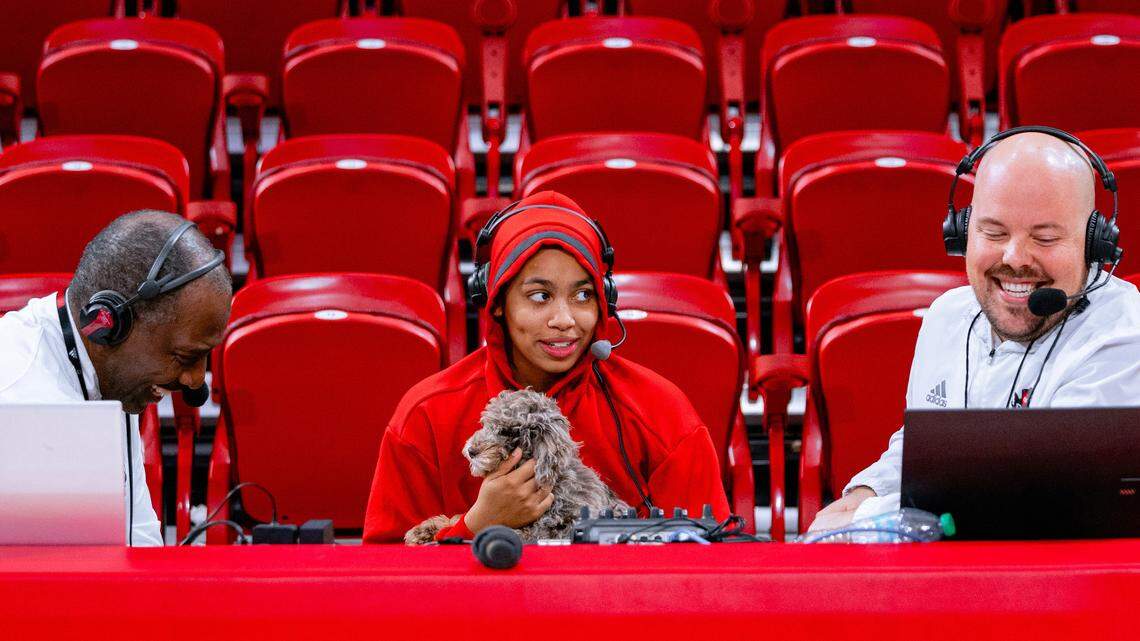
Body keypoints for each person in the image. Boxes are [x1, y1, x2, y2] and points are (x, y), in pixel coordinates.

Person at [808, 128, 1140, 532]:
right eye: (994, 233)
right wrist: (865, 494)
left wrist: (865, 519)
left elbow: (1040, 492)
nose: (1015, 258)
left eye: (1046, 237)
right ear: (962, 232)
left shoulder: (1124, 331)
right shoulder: (946, 316)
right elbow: (924, 450)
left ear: (1094, 244)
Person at [363, 191, 730, 543]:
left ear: (606, 300)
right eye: (540, 296)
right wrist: (476, 525)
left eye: (583, 295)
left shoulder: (661, 413)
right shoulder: (426, 414)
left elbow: (712, 564)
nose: (565, 319)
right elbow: (382, 577)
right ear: (498, 301)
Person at [0, 210, 232, 546]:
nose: (196, 381)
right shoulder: (16, 394)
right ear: (109, 323)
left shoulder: (107, 377)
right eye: (185, 357)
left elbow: (138, 541)